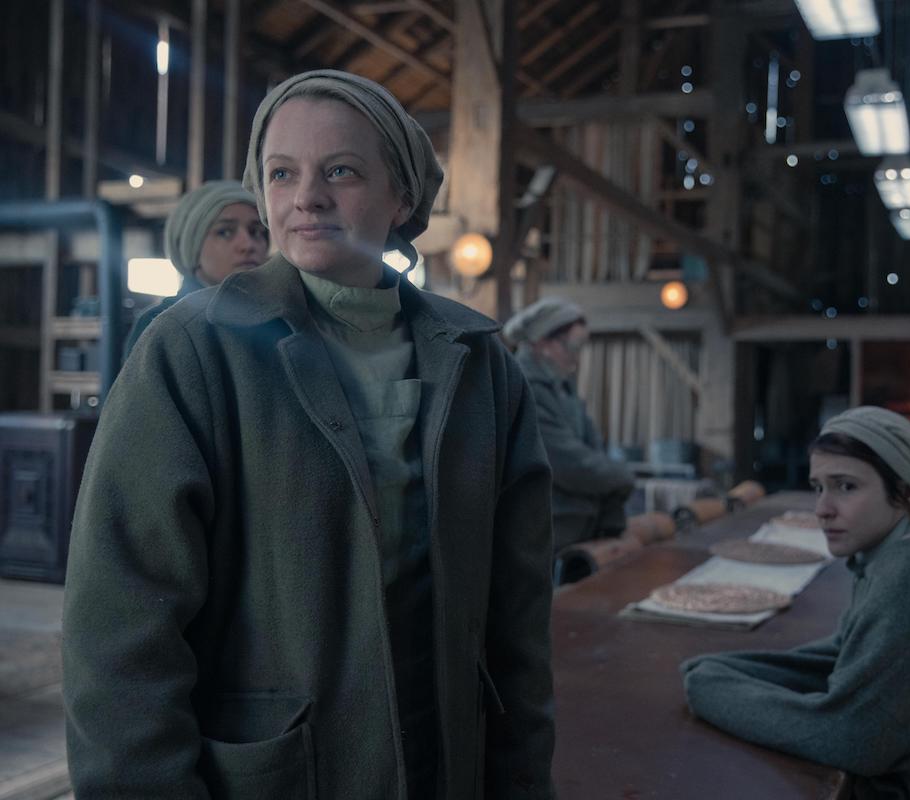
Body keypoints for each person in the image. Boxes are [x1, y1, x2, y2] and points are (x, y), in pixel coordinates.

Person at [63, 69, 556, 799]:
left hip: (446, 761)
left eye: (341, 171)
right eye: (281, 173)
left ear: (402, 197)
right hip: (282, 777)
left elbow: (519, 621)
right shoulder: (192, 352)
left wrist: (522, 780)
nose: (307, 197)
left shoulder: (480, 367)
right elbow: (120, 628)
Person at [682, 407, 910, 799]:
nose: (823, 509)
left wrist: (707, 687)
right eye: (818, 487)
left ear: (908, 489)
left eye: (846, 487)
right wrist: (721, 669)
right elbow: (844, 657)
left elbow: (850, 739)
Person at [503, 297, 634, 554]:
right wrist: (621, 477)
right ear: (543, 343)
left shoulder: (562, 386)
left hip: (576, 524)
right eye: (572, 347)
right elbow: (566, 461)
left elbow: (593, 445)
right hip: (545, 529)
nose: (576, 358)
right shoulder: (525, 387)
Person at [124, 180, 269, 358]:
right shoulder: (162, 325)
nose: (248, 245)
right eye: (225, 232)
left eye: (256, 231)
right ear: (192, 246)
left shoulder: (275, 319)